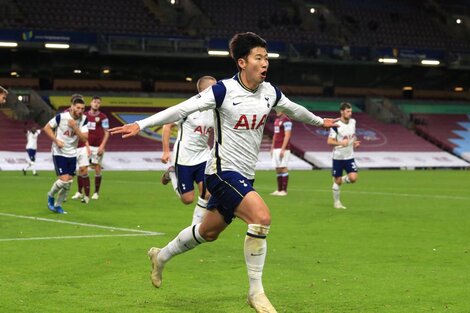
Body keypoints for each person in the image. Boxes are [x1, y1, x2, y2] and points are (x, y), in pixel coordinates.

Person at [109, 32, 337, 313]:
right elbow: (182, 108)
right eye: (258, 57)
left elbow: (294, 110)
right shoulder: (223, 91)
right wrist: (141, 124)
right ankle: (256, 293)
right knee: (261, 217)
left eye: (266, 57)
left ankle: (161, 256)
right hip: (220, 172)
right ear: (242, 62)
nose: (265, 62)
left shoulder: (270, 92)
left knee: (208, 232)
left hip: (244, 175)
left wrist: (320, 121)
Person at [160, 76, 216, 225]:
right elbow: (167, 125)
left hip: (203, 156)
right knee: (187, 199)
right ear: (205, 90)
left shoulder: (215, 110)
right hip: (184, 157)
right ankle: (171, 173)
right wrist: (166, 151)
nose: (218, 90)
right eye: (214, 87)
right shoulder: (188, 107)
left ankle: (195, 229)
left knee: (207, 194)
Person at [43, 96, 88, 214]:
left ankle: (58, 206)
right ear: (72, 107)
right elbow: (47, 128)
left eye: (82, 108)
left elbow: (84, 138)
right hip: (59, 152)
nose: (80, 110)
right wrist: (56, 140)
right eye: (78, 107)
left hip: (72, 153)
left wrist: (75, 127)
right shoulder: (61, 117)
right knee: (63, 180)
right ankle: (51, 195)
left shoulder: (84, 119)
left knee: (68, 183)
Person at [71, 96, 109, 203]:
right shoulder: (84, 116)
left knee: (97, 168)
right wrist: (86, 145)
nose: (96, 104)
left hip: (98, 146)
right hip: (86, 145)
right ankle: (79, 192)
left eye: (98, 102)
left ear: (100, 104)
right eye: (94, 102)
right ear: (91, 103)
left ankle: (96, 192)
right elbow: (82, 132)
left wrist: (102, 146)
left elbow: (107, 132)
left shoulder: (103, 117)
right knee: (82, 169)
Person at [327, 102, 360, 209]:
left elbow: (353, 136)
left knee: (354, 178)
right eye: (348, 111)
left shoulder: (353, 122)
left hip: (349, 156)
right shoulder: (336, 125)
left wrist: (355, 142)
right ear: (342, 111)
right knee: (337, 182)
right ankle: (337, 203)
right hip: (338, 157)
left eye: (351, 111)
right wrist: (341, 143)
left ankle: (340, 179)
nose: (350, 113)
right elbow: (330, 141)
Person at [270, 111, 292, 196]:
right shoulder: (276, 121)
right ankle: (279, 190)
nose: (276, 111)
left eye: (278, 110)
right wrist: (272, 147)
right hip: (276, 147)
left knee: (283, 167)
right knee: (278, 168)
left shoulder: (287, 121)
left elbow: (287, 135)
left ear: (283, 110)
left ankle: (284, 191)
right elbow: (275, 135)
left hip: (283, 148)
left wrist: (283, 148)